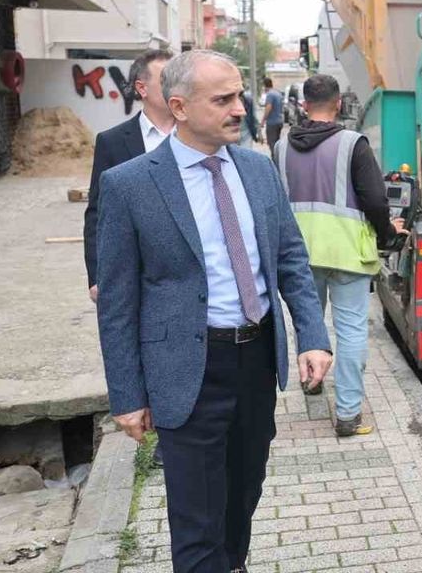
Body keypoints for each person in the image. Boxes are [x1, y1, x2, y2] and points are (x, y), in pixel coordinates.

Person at [95, 50, 332, 573]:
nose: (239, 109)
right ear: (178, 107)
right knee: (196, 519)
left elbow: (290, 257)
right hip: (186, 372)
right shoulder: (129, 185)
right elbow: (115, 303)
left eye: (239, 95)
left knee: (243, 494)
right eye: (222, 99)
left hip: (256, 364)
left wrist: (313, 335)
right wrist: (128, 395)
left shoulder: (257, 168)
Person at [275, 74, 405, 436]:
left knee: (308, 321)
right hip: (347, 251)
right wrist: (389, 232)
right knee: (349, 332)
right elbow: (376, 200)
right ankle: (348, 415)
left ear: (303, 105)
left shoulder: (281, 147)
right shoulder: (352, 144)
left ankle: (311, 380)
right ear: (337, 104)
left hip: (298, 253)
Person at [85, 48, 174, 304]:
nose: (177, 87)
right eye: (166, 80)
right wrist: (96, 275)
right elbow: (97, 213)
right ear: (142, 88)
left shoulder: (197, 137)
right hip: (134, 264)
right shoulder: (112, 142)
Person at [261, 77, 285, 161]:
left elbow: (268, 107)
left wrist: (263, 120)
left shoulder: (270, 94)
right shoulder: (278, 93)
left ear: (264, 85)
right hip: (279, 121)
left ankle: (275, 163)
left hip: (272, 122)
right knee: (277, 143)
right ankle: (278, 160)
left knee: (272, 143)